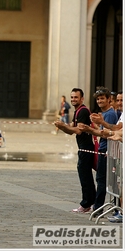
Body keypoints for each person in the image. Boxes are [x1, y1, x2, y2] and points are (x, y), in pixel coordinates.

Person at [54, 88, 96, 213]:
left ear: (82, 98)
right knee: (85, 175)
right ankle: (91, 202)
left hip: (87, 148)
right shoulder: (78, 111)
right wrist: (62, 127)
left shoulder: (82, 111)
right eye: (72, 97)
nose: (73, 99)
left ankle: (87, 204)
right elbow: (72, 127)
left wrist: (63, 127)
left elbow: (78, 130)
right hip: (83, 148)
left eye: (76, 97)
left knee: (85, 176)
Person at [77, 87, 118, 215]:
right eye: (98, 99)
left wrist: (90, 129)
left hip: (106, 150)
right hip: (103, 148)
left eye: (102, 99)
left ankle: (98, 207)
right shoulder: (104, 114)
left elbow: (107, 134)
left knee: (102, 179)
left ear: (109, 100)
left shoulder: (110, 114)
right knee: (101, 179)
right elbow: (101, 131)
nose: (100, 101)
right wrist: (91, 127)